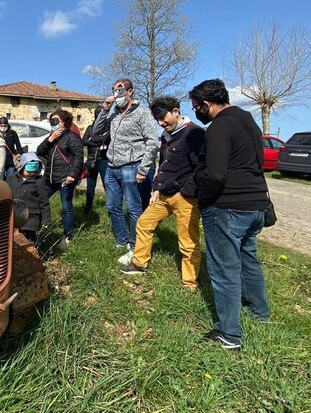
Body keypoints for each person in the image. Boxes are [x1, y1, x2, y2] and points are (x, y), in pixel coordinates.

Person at [189, 78, 270, 351]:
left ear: (206, 104)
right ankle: (260, 313)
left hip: (227, 206)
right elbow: (258, 161)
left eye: (196, 108)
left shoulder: (219, 127)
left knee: (224, 269)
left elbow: (216, 173)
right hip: (255, 203)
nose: (196, 113)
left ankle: (229, 334)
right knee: (248, 259)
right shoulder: (246, 120)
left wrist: (204, 200)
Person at [119, 96, 205, 290]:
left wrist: (186, 192)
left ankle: (189, 283)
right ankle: (139, 264)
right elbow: (163, 165)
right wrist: (156, 187)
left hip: (186, 198)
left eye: (163, 117)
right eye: (157, 119)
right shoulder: (167, 136)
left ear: (176, 111)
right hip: (164, 195)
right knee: (144, 223)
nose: (160, 122)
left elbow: (201, 168)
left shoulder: (194, 134)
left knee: (188, 242)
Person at [93, 78, 159, 253]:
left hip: (132, 166)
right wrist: (105, 109)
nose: (117, 95)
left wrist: (143, 169)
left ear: (130, 92)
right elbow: (96, 131)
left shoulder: (142, 113)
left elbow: (152, 142)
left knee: (133, 207)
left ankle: (135, 244)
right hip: (112, 166)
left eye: (120, 91)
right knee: (112, 206)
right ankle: (121, 240)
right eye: (114, 91)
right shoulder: (114, 113)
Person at [36, 109, 83, 247]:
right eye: (52, 121)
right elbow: (39, 151)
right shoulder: (52, 136)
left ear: (64, 122)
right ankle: (36, 227)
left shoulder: (72, 137)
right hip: (50, 178)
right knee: (39, 200)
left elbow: (78, 158)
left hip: (65, 179)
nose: (53, 123)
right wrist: (49, 139)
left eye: (56, 121)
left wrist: (72, 175)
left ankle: (67, 236)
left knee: (66, 206)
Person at [7, 152, 51, 242]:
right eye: (29, 170)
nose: (32, 173)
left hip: (32, 218)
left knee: (29, 241)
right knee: (14, 241)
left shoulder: (38, 182)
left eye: (34, 171)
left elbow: (44, 202)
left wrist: (46, 220)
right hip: (14, 217)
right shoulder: (11, 178)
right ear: (22, 166)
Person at [82, 105, 110, 212]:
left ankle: (110, 208)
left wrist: (94, 139)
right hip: (91, 159)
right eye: (97, 113)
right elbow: (84, 141)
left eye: (100, 113)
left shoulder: (108, 128)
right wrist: (94, 142)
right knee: (90, 186)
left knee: (106, 185)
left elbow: (106, 140)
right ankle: (88, 208)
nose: (98, 115)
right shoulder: (90, 128)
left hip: (104, 160)